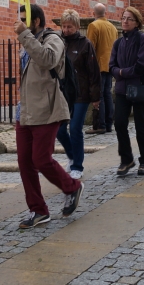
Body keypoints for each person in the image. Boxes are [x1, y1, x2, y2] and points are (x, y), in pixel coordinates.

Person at [15, 4, 84, 228]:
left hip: (47, 109)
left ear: (36, 21)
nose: (20, 23)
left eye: (24, 19)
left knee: (41, 159)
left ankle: (72, 187)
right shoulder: (27, 42)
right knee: (25, 163)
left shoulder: (53, 39)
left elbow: (48, 59)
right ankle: (38, 210)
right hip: (25, 111)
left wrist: (24, 36)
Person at [109, 7, 144, 176]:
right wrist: (118, 72)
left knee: (141, 125)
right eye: (123, 18)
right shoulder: (118, 43)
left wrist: (122, 73)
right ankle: (126, 159)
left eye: (130, 19)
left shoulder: (142, 39)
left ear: (137, 23)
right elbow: (111, 66)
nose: (125, 21)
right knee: (119, 123)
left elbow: (143, 64)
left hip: (139, 87)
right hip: (122, 89)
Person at [58, 10, 101, 180]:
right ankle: (71, 155)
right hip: (63, 93)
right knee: (59, 130)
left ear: (76, 27)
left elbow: (93, 71)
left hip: (81, 93)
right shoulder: (58, 42)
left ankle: (77, 165)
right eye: (64, 26)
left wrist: (95, 96)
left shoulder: (85, 44)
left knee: (75, 128)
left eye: (69, 27)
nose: (66, 30)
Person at [85, 3, 118, 135]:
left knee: (99, 95)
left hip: (98, 65)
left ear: (94, 14)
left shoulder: (93, 25)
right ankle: (109, 124)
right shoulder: (113, 27)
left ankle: (100, 124)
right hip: (110, 65)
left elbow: (90, 48)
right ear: (105, 13)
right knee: (107, 94)